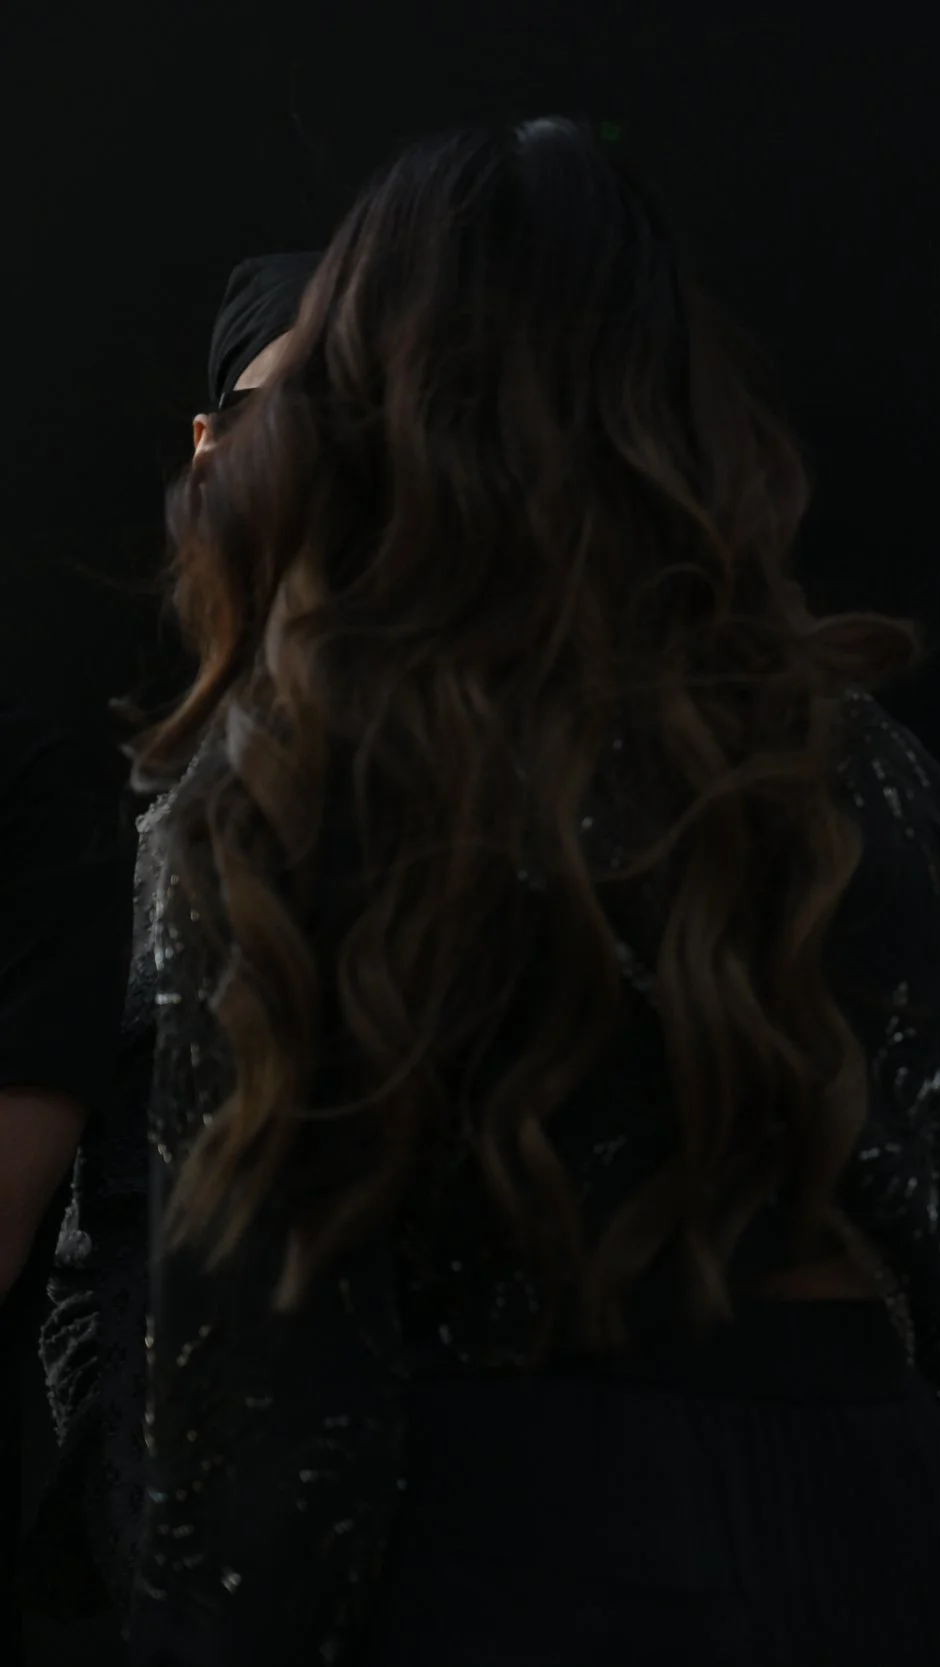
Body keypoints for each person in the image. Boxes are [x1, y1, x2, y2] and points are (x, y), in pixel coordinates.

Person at [123, 118, 940, 1666]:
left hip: (492, 1551)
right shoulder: (870, 772)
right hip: (857, 1531)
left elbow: (255, 1422)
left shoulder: (299, 781)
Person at [28, 249, 322, 1629]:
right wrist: (126, 1493)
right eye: (290, 412)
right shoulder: (128, 820)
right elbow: (93, 1237)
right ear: (208, 455)